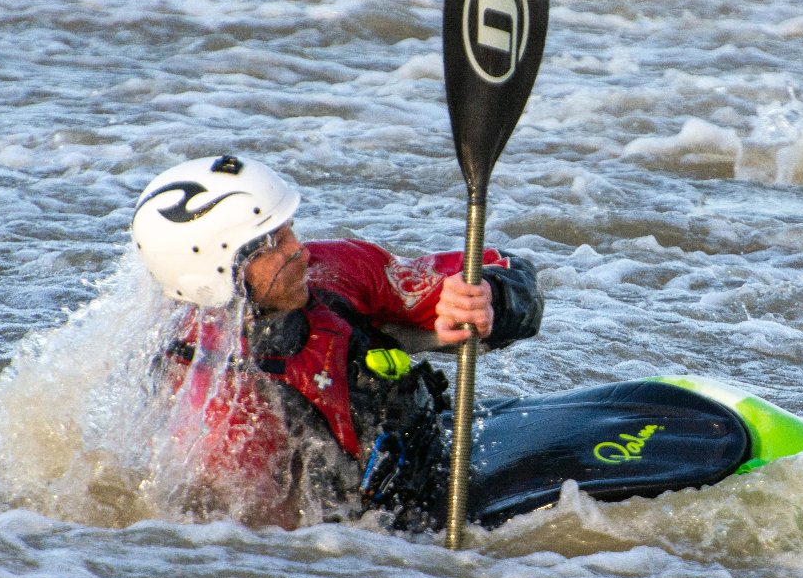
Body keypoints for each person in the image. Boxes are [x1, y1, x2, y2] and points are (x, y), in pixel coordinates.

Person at [130, 154, 543, 531]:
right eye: (272, 244)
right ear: (217, 273)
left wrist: (488, 294)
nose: (300, 251)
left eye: (288, 229)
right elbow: (269, 553)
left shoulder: (335, 272)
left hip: (430, 458)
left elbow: (505, 266)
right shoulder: (215, 416)